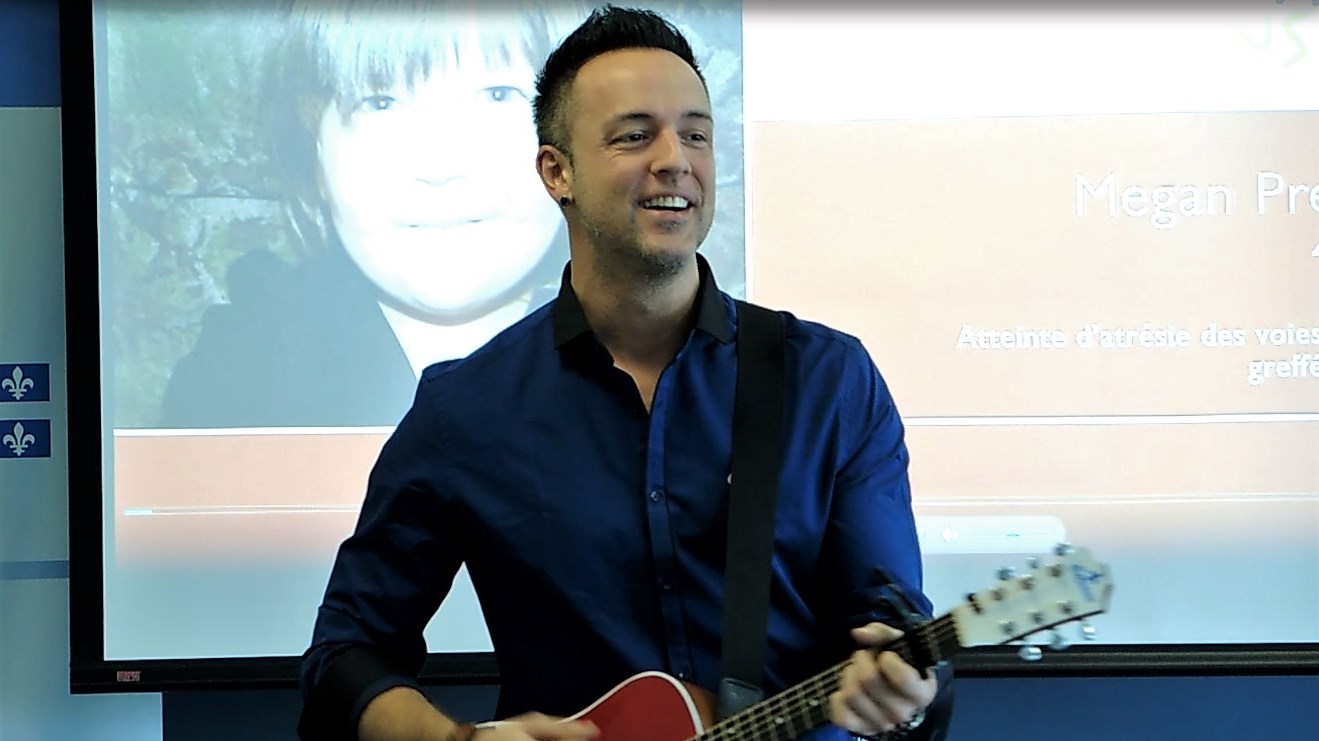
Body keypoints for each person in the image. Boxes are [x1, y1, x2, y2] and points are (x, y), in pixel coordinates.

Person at [299, 6, 952, 741]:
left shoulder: (830, 380)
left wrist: (906, 686)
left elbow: (893, 625)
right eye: (635, 134)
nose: (674, 157)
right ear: (557, 172)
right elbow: (344, 657)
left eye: (695, 133)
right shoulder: (466, 409)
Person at [158, 0, 578, 428]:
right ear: (313, 155)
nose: (440, 165)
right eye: (380, 103)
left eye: (498, 95)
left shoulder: (642, 368)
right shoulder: (230, 378)